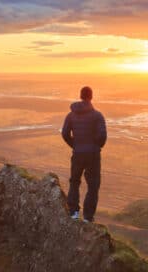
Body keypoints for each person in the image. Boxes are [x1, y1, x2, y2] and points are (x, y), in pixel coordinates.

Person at [61, 86, 107, 223]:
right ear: (91, 97)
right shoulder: (97, 115)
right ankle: (87, 217)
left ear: (81, 96)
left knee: (74, 182)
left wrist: (75, 145)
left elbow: (64, 134)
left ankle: (74, 212)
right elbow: (102, 136)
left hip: (78, 154)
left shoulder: (71, 115)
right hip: (92, 155)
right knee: (93, 186)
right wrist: (96, 147)